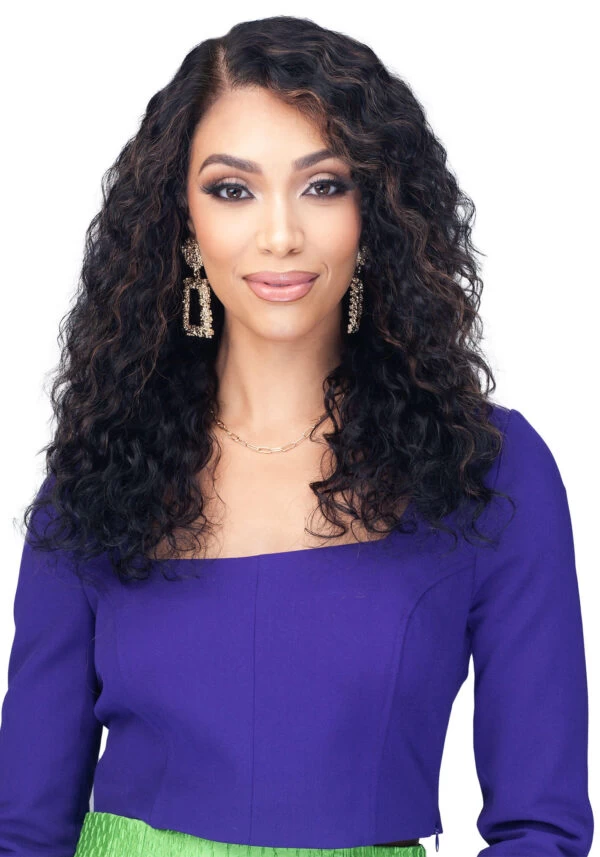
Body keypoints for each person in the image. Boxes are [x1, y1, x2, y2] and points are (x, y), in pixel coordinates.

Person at [0, 14, 593, 857]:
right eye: (232, 190)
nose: (279, 234)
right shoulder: (99, 475)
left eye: (323, 185)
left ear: (377, 209)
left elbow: (541, 825)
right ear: (181, 220)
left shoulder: (488, 469)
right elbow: (23, 829)